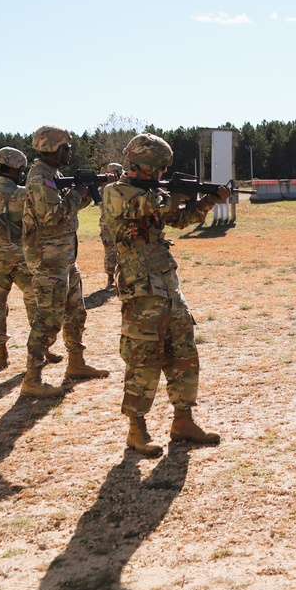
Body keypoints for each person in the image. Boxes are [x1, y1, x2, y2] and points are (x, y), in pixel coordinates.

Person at [103, 133, 231, 457]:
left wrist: (207, 200)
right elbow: (152, 205)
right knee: (142, 358)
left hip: (167, 286)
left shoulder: (157, 193)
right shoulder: (116, 193)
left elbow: (180, 218)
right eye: (159, 169)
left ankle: (183, 421)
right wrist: (175, 193)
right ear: (145, 167)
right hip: (140, 290)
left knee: (183, 352)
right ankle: (136, 430)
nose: (161, 175)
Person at [21, 125, 110, 398]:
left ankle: (76, 363)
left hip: (64, 258)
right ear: (53, 148)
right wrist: (77, 192)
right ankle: (32, 378)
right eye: (66, 148)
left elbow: (67, 211)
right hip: (49, 261)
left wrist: (85, 192)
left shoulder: (53, 174)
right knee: (48, 320)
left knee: (75, 313)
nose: (69, 151)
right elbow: (51, 215)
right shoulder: (40, 178)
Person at [0, 147, 60, 372]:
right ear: (15, 169)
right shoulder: (22, 194)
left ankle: (1, 356)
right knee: (35, 306)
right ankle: (41, 351)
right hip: (23, 261)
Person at [99, 162, 124, 289]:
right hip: (107, 225)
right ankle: (110, 278)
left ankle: (122, 278)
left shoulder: (123, 187)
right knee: (110, 252)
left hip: (121, 224)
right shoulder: (103, 188)